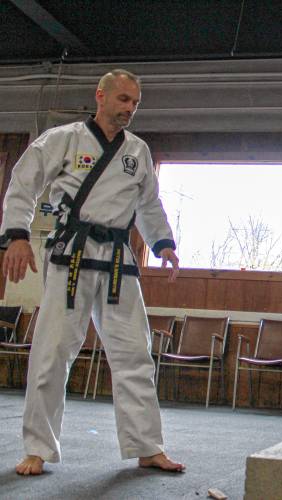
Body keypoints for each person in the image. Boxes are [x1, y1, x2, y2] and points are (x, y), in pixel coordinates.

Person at [1, 69, 185, 475]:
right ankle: (38, 448)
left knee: (135, 354)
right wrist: (16, 235)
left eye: (135, 103)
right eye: (123, 100)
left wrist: (163, 243)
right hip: (71, 256)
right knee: (52, 354)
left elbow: (149, 205)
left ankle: (147, 445)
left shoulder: (138, 151)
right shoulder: (64, 139)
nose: (129, 109)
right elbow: (23, 182)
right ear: (99, 96)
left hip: (118, 261)